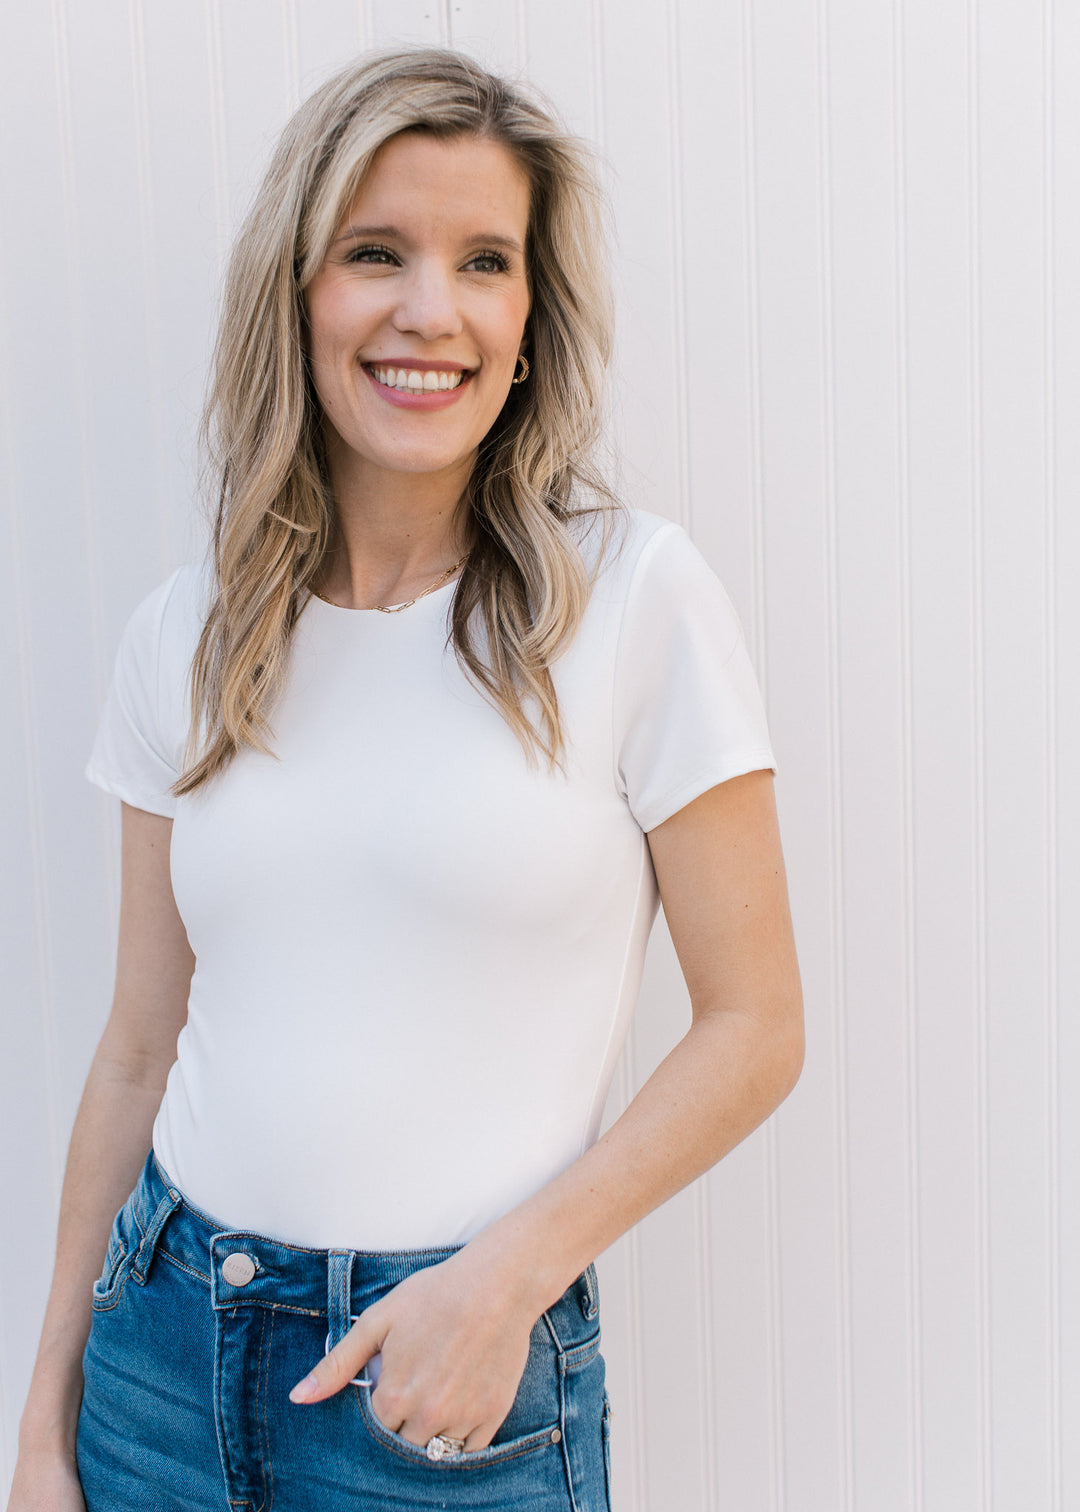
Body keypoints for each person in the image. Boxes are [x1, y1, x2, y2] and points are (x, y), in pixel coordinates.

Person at [8, 46, 804, 1512]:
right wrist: (43, 1420)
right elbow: (135, 1045)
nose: (429, 310)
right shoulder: (187, 631)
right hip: (160, 1366)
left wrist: (502, 1280)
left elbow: (756, 1027)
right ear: (298, 291)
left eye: (483, 261)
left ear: (526, 320)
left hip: (447, 1397)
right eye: (376, 252)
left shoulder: (632, 600)